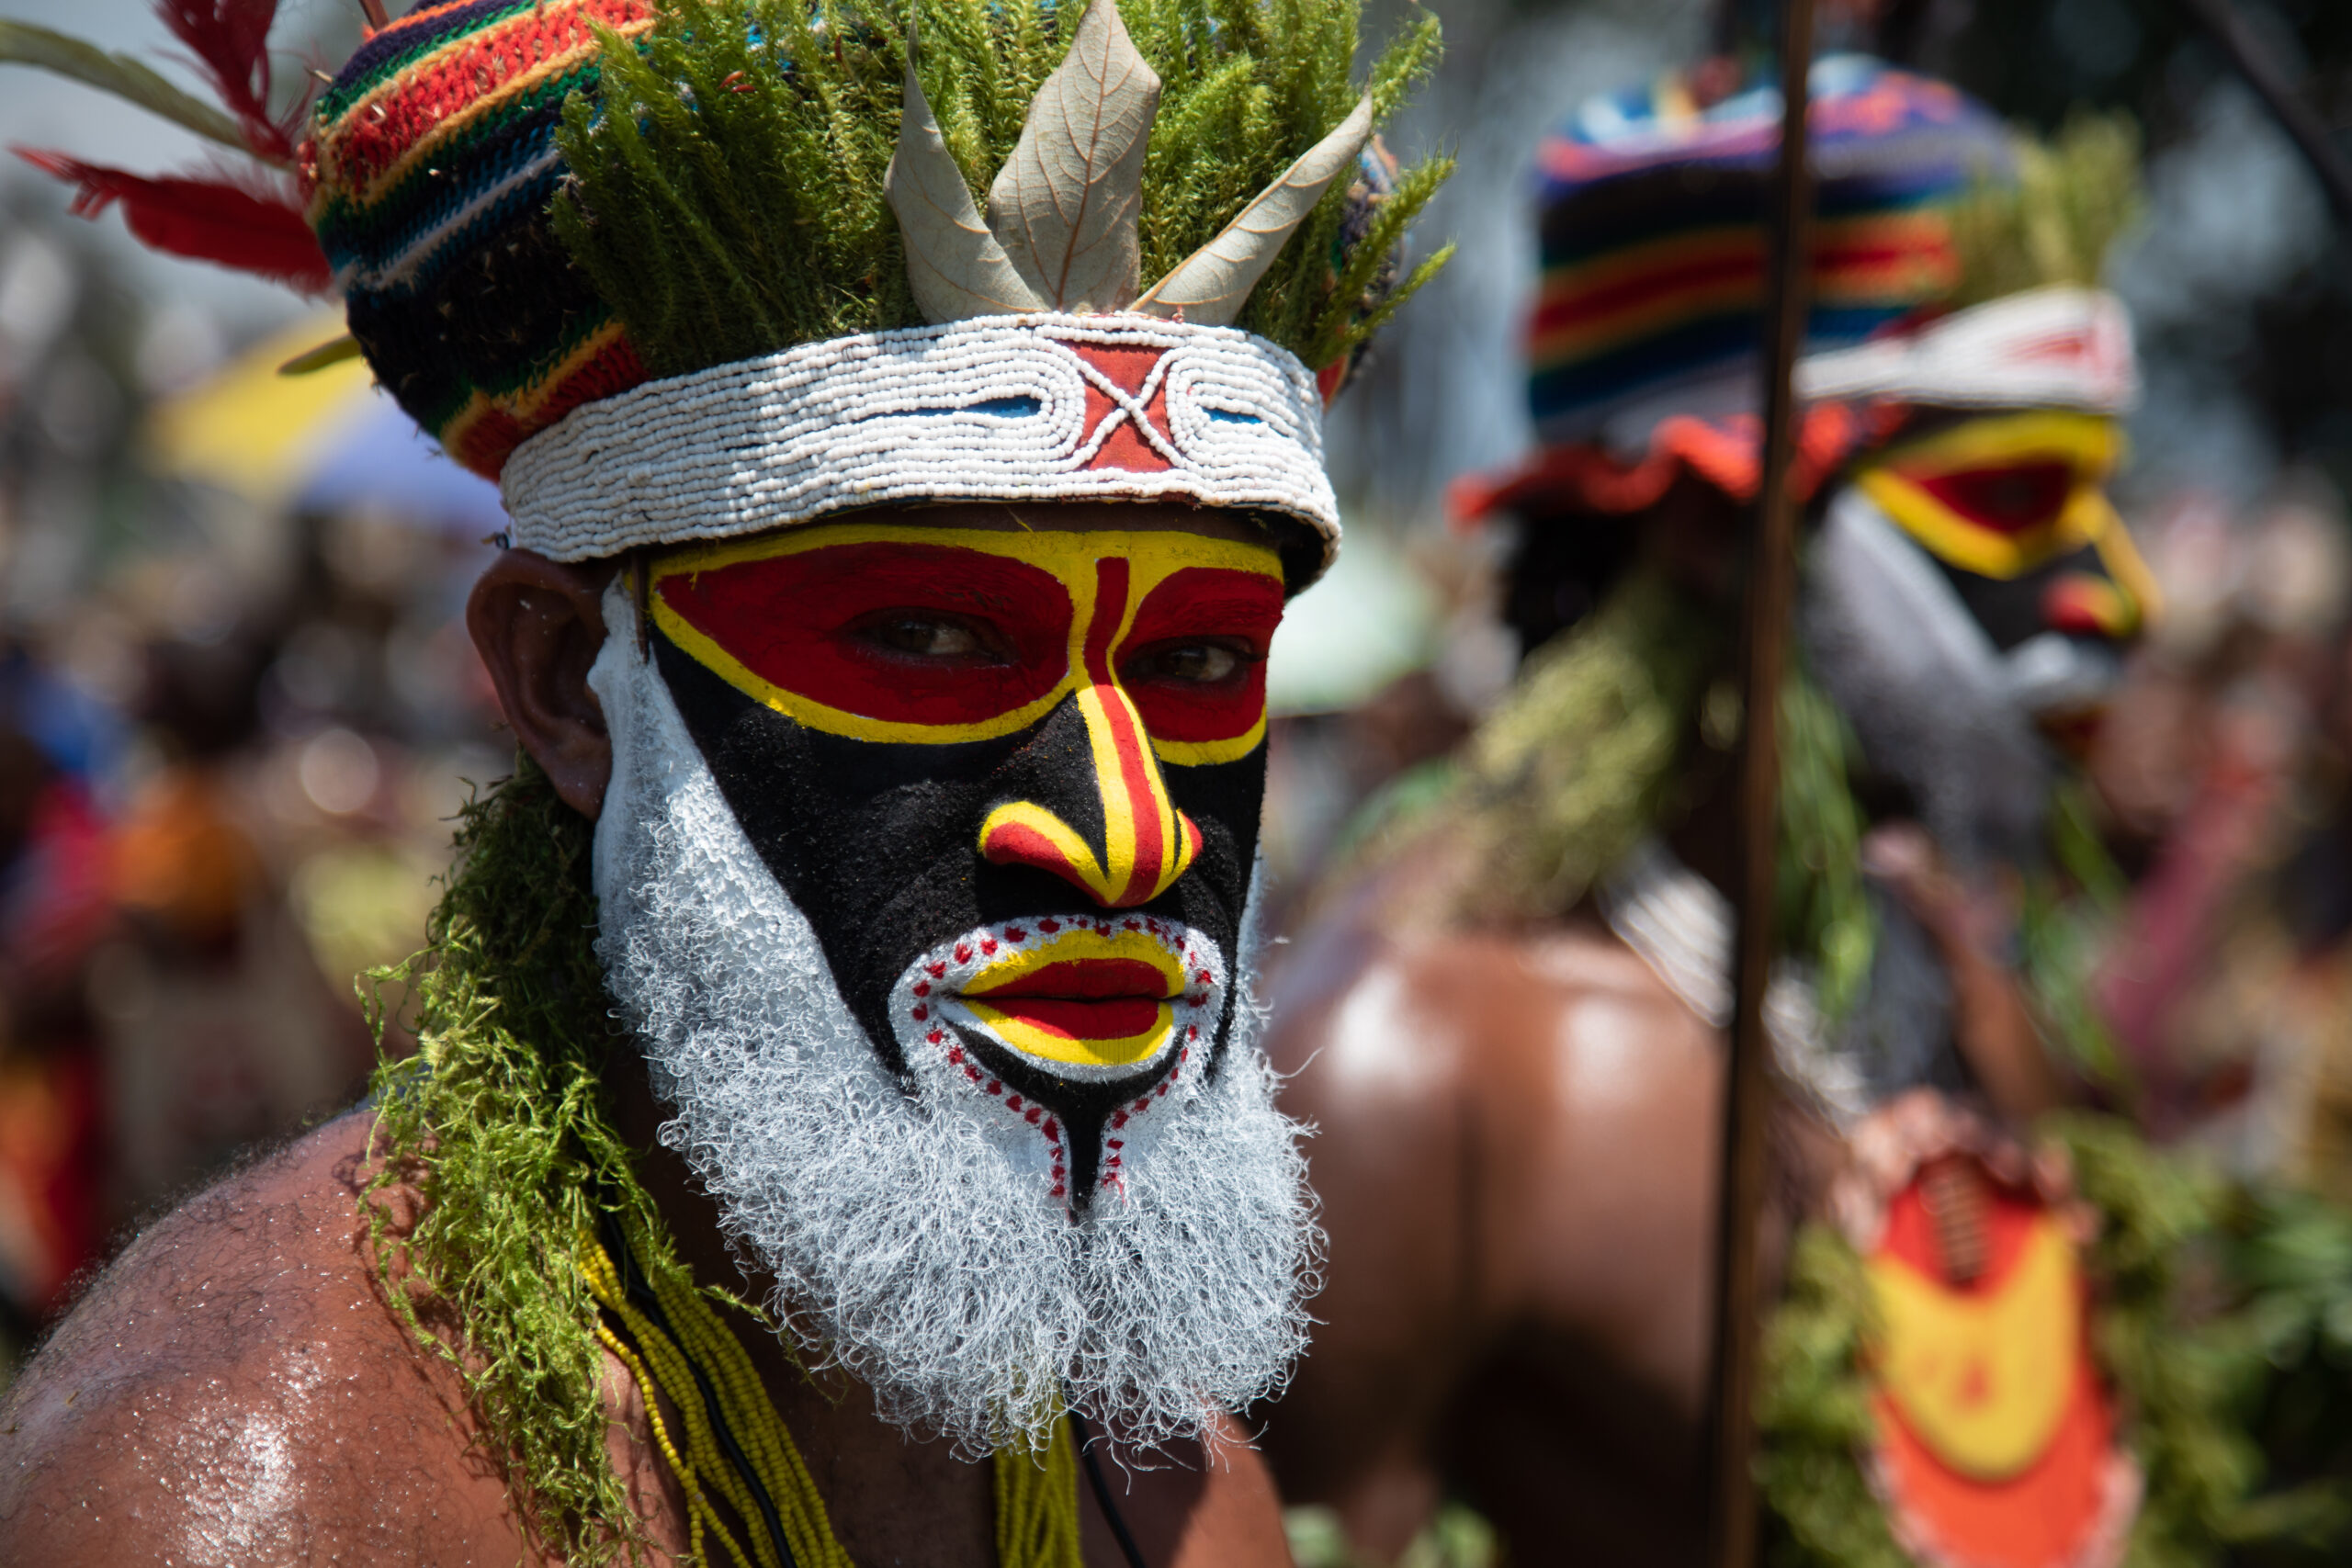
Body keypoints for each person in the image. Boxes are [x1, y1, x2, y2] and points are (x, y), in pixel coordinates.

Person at [0, 0, 1446, 1561]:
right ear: (567, 684)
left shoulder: (1179, 1500)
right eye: (928, 635)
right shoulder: (267, 1497)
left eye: (1203, 661)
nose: (1124, 834)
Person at [1258, 57, 2174, 1568]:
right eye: (2014, 498)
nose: (2117, 595)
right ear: (1706, 522)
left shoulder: (1962, 990)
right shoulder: (1417, 1066)